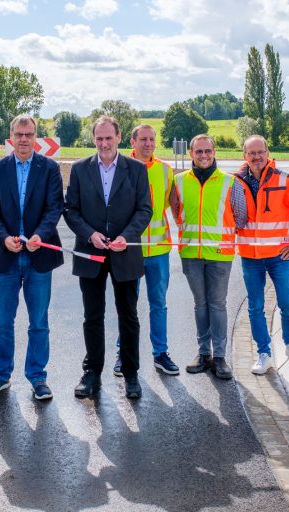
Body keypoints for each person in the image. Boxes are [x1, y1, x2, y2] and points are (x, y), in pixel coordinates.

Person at [64, 115, 152, 399]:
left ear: (119, 137)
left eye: (108, 138)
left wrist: (127, 235)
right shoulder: (79, 169)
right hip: (90, 254)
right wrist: (89, 234)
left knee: (129, 316)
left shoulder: (136, 169)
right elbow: (71, 210)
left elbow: (144, 209)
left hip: (125, 254)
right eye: (99, 138)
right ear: (94, 139)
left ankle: (131, 373)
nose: (104, 143)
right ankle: (92, 372)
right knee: (92, 316)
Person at [0, 115, 64, 400]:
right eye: (19, 134)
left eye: (29, 134)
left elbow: (54, 208)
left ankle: (38, 377)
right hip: (5, 256)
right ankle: (1, 375)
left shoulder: (49, 168)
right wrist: (4, 237)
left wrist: (40, 235)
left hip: (38, 257)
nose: (24, 139)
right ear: (11, 137)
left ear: (36, 137)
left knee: (38, 322)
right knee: (2, 322)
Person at [235, 135, 289, 375]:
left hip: (278, 256)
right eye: (252, 153)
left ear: (267, 153)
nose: (257, 157)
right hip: (250, 256)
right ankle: (264, 353)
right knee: (255, 306)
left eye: (260, 152)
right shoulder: (235, 182)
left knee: (287, 302)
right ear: (244, 156)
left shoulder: (285, 180)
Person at [170, 134, 247, 380]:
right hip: (191, 253)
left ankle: (220, 357)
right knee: (200, 304)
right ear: (191, 153)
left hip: (220, 255)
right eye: (199, 151)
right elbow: (177, 213)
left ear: (214, 153)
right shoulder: (179, 181)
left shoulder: (230, 182)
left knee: (217, 304)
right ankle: (204, 354)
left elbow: (241, 217)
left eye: (208, 151)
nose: (203, 155)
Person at [111, 124, 179, 377]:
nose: (148, 144)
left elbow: (173, 205)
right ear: (132, 142)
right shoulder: (120, 167)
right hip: (130, 249)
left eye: (152, 139)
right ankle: (123, 352)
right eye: (143, 139)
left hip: (159, 250)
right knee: (127, 305)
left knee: (158, 303)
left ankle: (161, 353)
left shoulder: (166, 170)